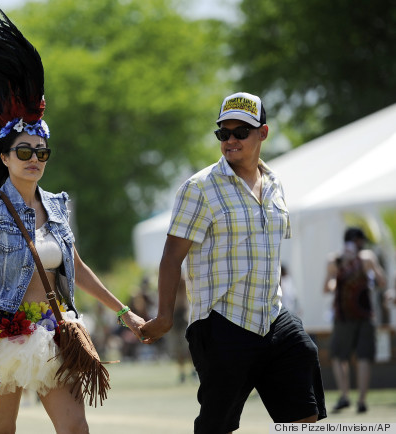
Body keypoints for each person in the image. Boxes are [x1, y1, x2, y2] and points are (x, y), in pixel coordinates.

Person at [0, 10, 145, 434]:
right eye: (25, 152)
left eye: (42, 152)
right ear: (5, 157)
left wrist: (125, 312)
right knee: (2, 430)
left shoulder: (57, 204)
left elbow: (78, 267)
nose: (35, 159)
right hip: (5, 333)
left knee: (75, 427)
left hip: (55, 328)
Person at [141, 92, 327, 433]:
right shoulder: (199, 188)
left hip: (272, 316)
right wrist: (165, 315)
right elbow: (171, 257)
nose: (230, 140)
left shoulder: (275, 185)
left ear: (263, 133)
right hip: (222, 321)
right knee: (217, 425)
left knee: (304, 391)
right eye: (223, 133)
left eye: (241, 132)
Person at [323, 227, 386, 414]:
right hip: (361, 314)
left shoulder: (336, 259)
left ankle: (346, 396)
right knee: (361, 357)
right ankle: (360, 400)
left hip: (347, 315)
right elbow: (382, 282)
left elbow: (327, 287)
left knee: (341, 356)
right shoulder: (354, 258)